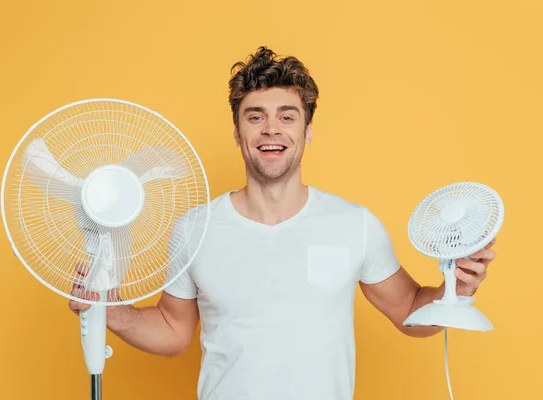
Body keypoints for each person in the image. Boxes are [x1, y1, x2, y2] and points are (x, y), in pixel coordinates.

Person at [69, 46, 497, 399]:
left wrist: (455, 291)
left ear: (308, 130)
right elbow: (174, 330)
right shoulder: (193, 229)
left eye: (287, 116)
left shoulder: (353, 224)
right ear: (237, 132)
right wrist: (110, 310)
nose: (271, 129)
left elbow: (408, 311)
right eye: (255, 116)